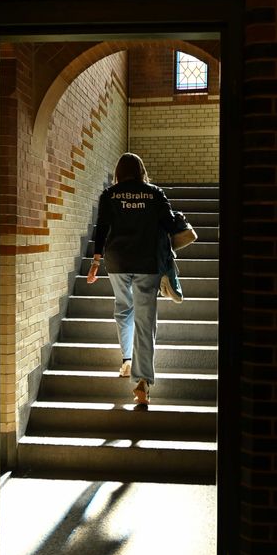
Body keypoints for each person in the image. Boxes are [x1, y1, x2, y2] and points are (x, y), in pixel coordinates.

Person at [87, 153, 179, 405]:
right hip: (147, 261)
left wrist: (95, 263)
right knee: (145, 320)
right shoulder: (154, 193)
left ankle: (127, 361)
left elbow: (102, 228)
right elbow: (171, 225)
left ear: (119, 171)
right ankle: (142, 382)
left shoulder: (110, 194)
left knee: (123, 309)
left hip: (117, 260)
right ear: (140, 170)